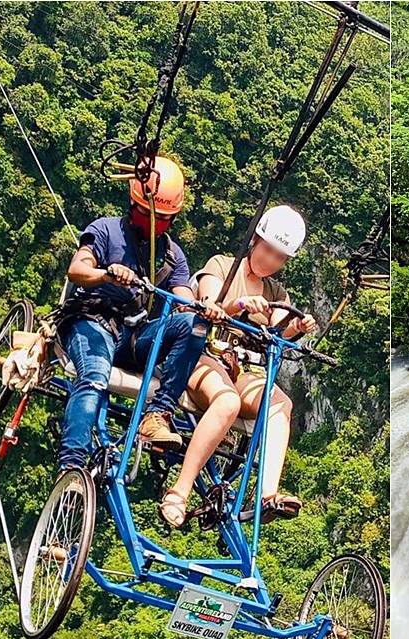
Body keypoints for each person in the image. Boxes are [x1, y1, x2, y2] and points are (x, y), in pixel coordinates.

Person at [56, 156, 220, 474]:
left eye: (164, 218)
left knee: (193, 324)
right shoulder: (105, 230)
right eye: (147, 214)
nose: (155, 223)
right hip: (93, 321)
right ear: (133, 206)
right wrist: (106, 274)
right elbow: (77, 269)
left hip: (134, 335)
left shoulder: (171, 255)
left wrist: (202, 308)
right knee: (94, 376)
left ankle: (158, 414)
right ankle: (71, 463)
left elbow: (184, 299)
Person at [158, 205, 317, 528]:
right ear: (255, 241)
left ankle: (267, 495)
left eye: (278, 257)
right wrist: (239, 304)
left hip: (243, 368)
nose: (269, 261)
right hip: (203, 354)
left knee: (280, 405)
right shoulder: (222, 266)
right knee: (227, 401)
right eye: (267, 250)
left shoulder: (275, 291)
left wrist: (297, 327)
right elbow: (209, 300)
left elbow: (278, 328)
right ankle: (179, 492)